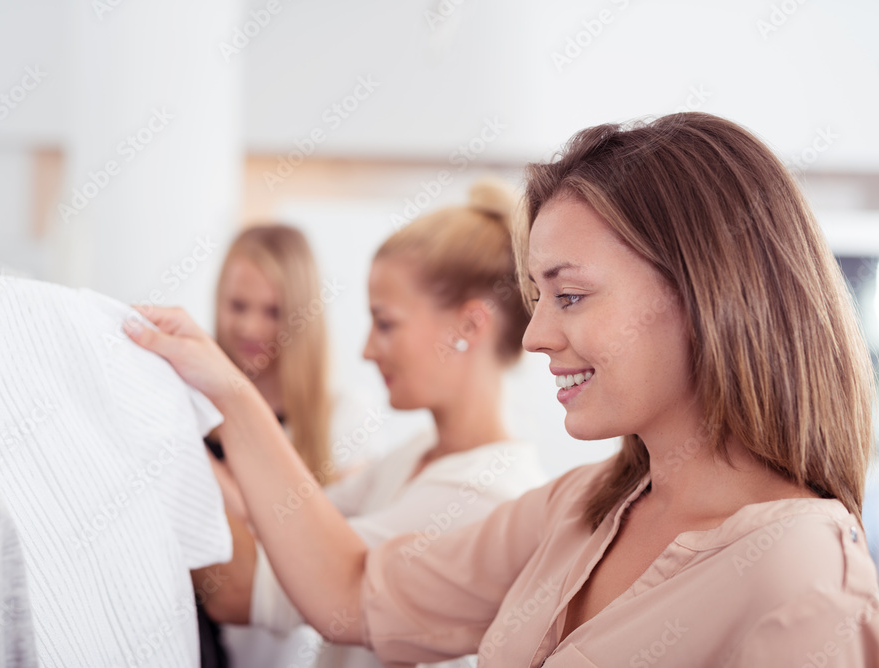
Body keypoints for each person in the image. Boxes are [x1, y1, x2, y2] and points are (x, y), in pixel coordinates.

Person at [125, 113, 879, 666]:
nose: (536, 336)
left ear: (705, 294)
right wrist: (226, 390)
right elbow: (351, 592)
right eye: (538, 298)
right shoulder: (581, 508)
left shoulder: (805, 580)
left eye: (570, 296)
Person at [197, 181, 547, 667]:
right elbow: (280, 522)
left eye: (385, 323)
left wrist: (180, 433)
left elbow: (243, 589)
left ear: (469, 326)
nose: (366, 350)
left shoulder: (481, 495)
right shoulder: (415, 455)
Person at [198, 224, 376, 667]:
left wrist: (200, 467)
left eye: (273, 311)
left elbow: (326, 555)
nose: (250, 326)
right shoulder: (193, 400)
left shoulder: (343, 416)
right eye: (237, 306)